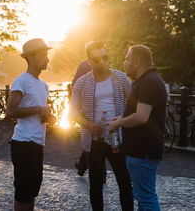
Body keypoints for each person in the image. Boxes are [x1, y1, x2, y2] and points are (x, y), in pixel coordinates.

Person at [70, 41, 133, 211]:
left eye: (105, 57)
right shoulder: (81, 83)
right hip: (94, 140)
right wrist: (89, 124)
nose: (102, 62)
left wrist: (122, 119)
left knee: (125, 182)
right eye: (97, 59)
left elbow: (135, 104)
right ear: (89, 61)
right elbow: (73, 112)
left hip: (117, 138)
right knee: (95, 185)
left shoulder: (121, 78)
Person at [108, 45, 167, 211]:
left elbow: (142, 117)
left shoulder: (149, 82)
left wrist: (118, 123)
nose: (124, 62)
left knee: (146, 198)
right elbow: (143, 114)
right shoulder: (147, 80)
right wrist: (122, 118)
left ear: (136, 62)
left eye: (127, 59)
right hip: (142, 151)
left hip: (144, 152)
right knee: (142, 198)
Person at [6, 38, 52, 211]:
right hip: (23, 144)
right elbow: (10, 111)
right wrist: (39, 109)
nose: (48, 59)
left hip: (38, 143)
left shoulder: (43, 85)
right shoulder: (21, 81)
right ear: (31, 58)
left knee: (32, 192)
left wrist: (47, 117)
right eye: (44, 55)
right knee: (23, 193)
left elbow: (37, 114)